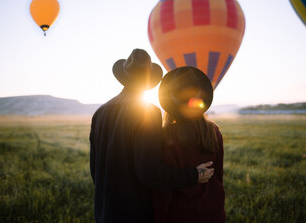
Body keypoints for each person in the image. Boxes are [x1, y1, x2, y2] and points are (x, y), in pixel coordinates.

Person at [89, 49, 214, 223]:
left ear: (123, 76)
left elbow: (95, 169)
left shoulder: (100, 113)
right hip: (134, 214)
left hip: (105, 212)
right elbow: (149, 173)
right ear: (149, 80)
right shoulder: (148, 112)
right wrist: (194, 175)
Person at [152, 66, 225, 223]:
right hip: (212, 211)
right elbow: (218, 176)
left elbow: (164, 188)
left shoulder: (167, 136)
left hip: (181, 214)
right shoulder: (213, 131)